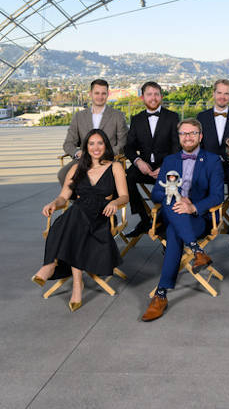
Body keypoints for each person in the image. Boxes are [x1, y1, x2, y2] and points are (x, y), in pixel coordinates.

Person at [32, 129, 129, 312]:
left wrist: (115, 202)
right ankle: (77, 284)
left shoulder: (115, 166)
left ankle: (50, 264)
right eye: (91, 144)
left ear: (106, 145)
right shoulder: (76, 168)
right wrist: (54, 203)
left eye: (100, 143)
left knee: (72, 218)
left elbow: (125, 196)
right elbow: (63, 197)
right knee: (76, 216)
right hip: (78, 214)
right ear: (85, 147)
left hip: (103, 215)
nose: (96, 147)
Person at [141, 119, 224, 322]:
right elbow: (156, 194)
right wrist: (176, 197)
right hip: (172, 214)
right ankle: (197, 251)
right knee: (170, 196)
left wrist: (192, 207)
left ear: (200, 136)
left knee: (173, 233)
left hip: (197, 218)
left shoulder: (212, 160)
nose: (188, 137)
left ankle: (161, 295)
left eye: (192, 133)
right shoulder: (170, 160)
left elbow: (217, 196)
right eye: (183, 133)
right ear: (179, 138)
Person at [124, 81, 180, 237]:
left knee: (173, 183)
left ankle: (165, 226)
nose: (153, 98)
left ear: (161, 96)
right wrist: (138, 161)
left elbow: (177, 147)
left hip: (166, 167)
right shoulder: (136, 119)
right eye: (149, 94)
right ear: (143, 97)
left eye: (156, 94)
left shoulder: (173, 117)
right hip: (144, 167)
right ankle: (143, 218)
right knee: (126, 177)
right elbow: (128, 147)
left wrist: (165, 167)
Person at [197, 79, 229, 235]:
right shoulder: (202, 116)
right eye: (219, 92)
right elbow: (196, 145)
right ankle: (208, 216)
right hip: (208, 166)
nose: (222, 96)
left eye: (226, 93)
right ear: (213, 94)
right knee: (200, 176)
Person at [58, 79, 128, 186]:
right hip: (84, 160)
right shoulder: (79, 116)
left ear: (108, 94)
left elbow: (123, 142)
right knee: (63, 174)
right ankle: (78, 201)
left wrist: (105, 154)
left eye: (103, 93)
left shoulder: (117, 116)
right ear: (90, 94)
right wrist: (77, 153)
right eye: (97, 93)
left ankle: (104, 202)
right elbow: (68, 143)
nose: (100, 97)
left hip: (109, 160)